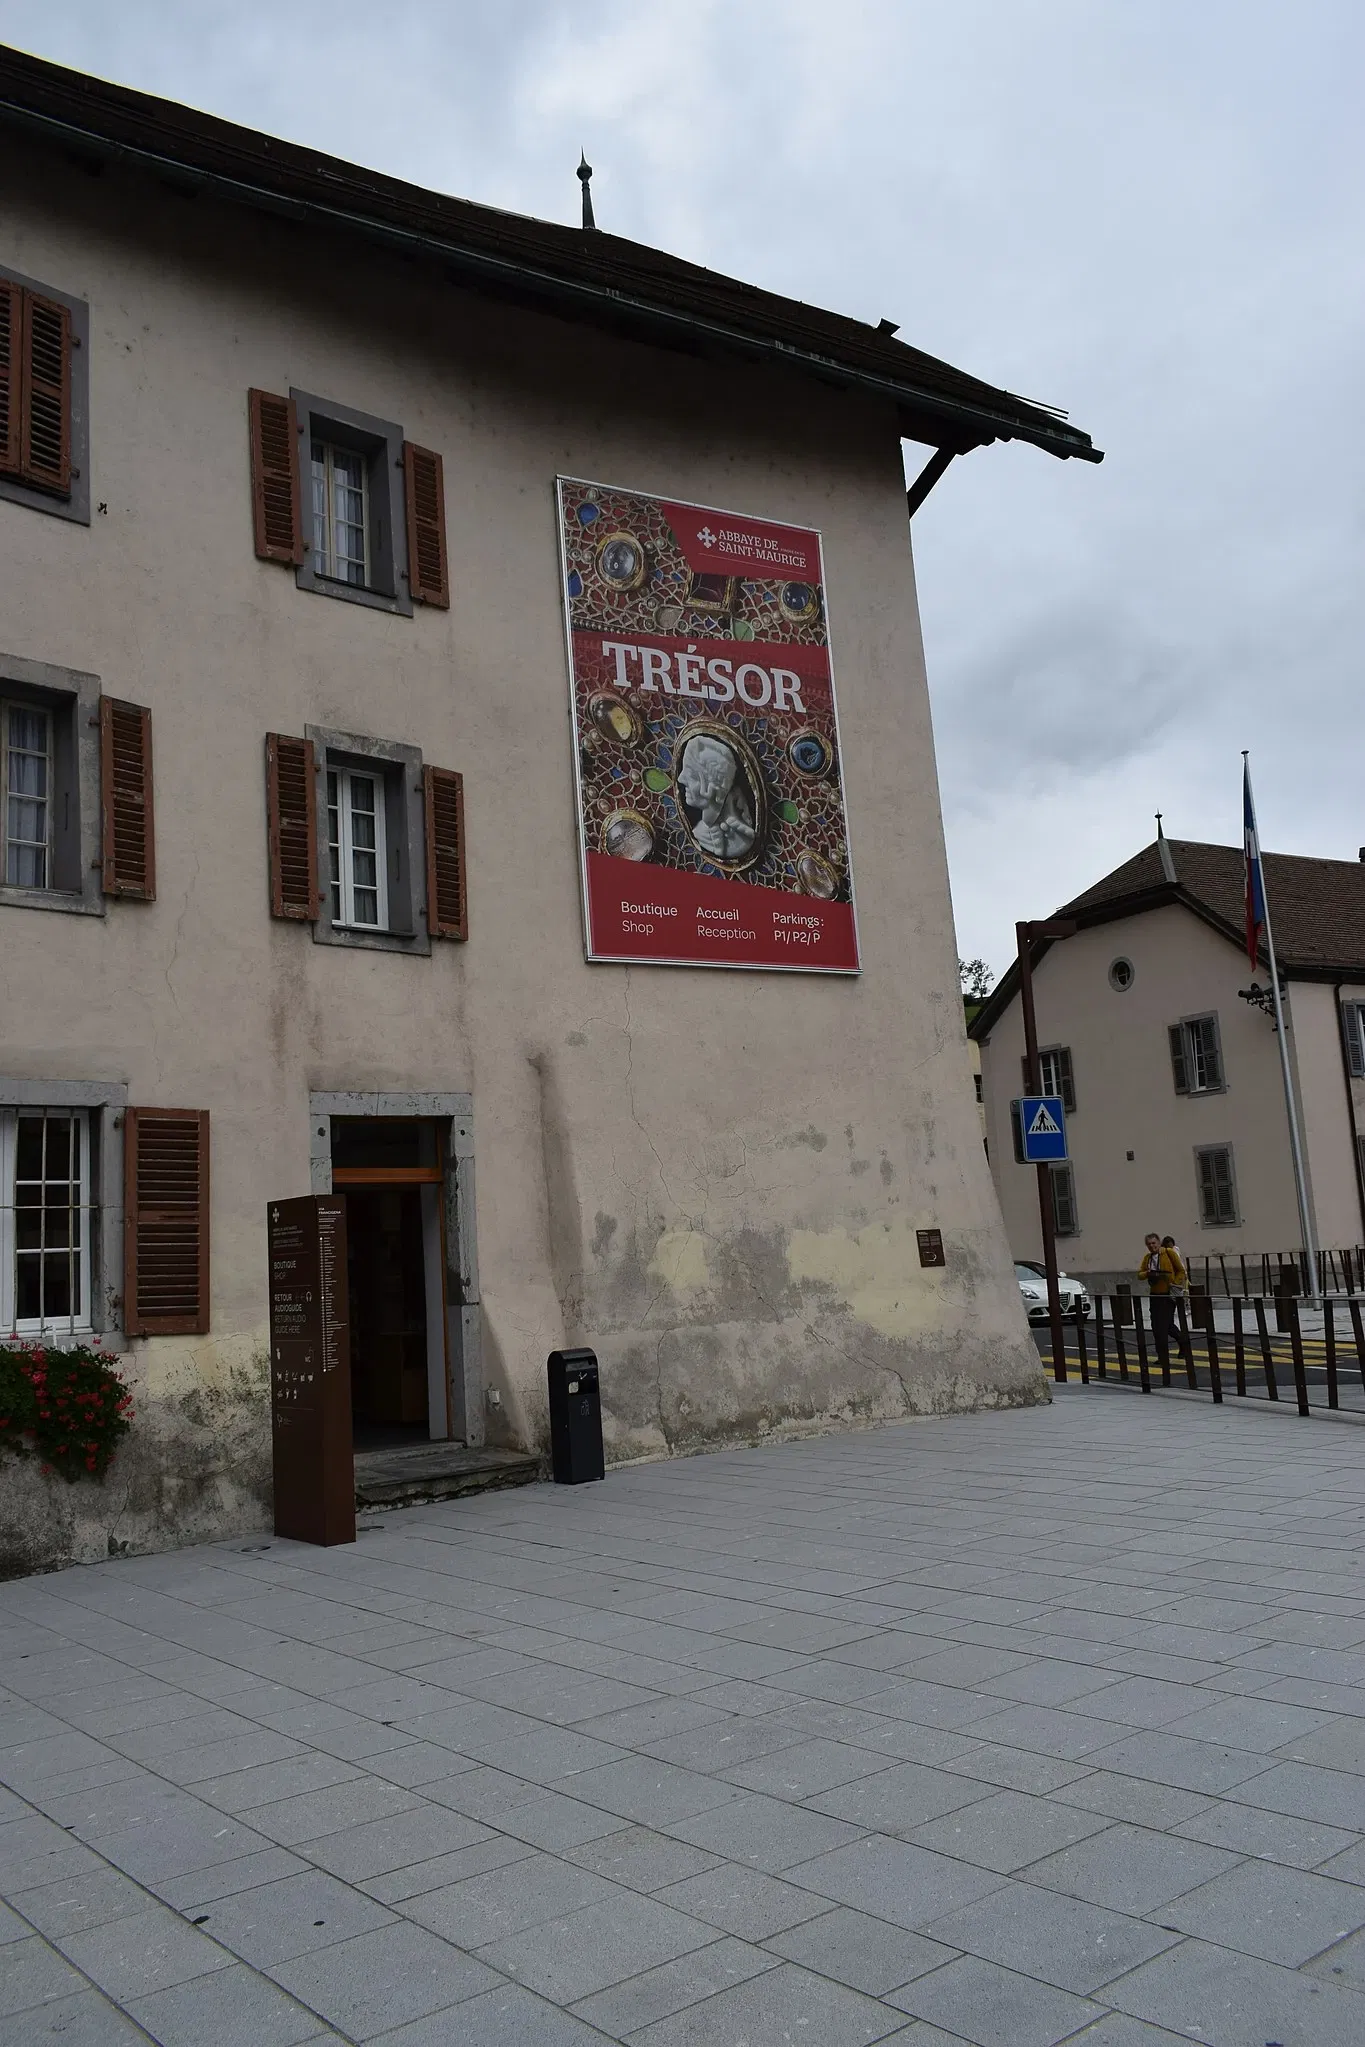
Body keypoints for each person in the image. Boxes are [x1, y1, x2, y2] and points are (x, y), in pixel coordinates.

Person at [1139, 1231, 1187, 1371]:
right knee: (1159, 1325)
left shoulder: (1169, 1253)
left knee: (1163, 1326)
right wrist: (1148, 1273)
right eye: (1149, 1244)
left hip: (1168, 1294)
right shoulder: (1147, 1258)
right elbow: (1139, 1274)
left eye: (1154, 1243)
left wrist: (1175, 1282)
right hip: (1155, 1295)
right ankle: (1182, 1343)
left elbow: (1181, 1270)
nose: (1151, 1246)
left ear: (1159, 1243)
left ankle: (1164, 1356)